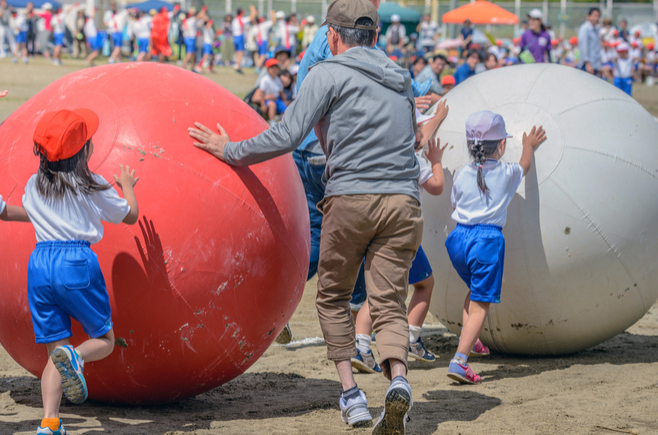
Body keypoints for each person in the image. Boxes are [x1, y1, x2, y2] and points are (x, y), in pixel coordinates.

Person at [189, 0, 422, 431]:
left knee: (333, 297)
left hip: (352, 197)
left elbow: (286, 134)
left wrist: (231, 151)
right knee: (389, 301)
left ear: (332, 36)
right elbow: (413, 136)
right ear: (374, 36)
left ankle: (352, 396)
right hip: (404, 201)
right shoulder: (401, 79)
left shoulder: (326, 73)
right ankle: (400, 382)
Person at [25, 109, 140, 435]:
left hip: (39, 266)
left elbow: (29, 214)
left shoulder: (35, 185)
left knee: (54, 352)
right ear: (84, 151)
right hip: (75, 263)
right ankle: (76, 357)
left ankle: (49, 423)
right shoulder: (92, 184)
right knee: (104, 338)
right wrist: (128, 186)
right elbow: (129, 216)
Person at [445, 110, 546, 385]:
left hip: (457, 240)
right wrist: (529, 146)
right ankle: (460, 360)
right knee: (481, 305)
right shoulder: (506, 172)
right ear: (502, 145)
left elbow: (455, 205)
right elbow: (524, 166)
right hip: (486, 242)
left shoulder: (462, 173)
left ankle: (471, 337)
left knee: (474, 295)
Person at [352, 101, 450, 372]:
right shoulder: (416, 161)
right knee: (425, 284)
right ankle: (412, 338)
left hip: (372, 229)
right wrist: (437, 163)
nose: (422, 133)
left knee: (377, 289)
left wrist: (438, 117)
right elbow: (437, 187)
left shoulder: (379, 151)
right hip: (402, 232)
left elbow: (416, 137)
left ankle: (360, 347)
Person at [232, 6, 256, 74]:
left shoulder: (235, 20)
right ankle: (237, 66)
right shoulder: (241, 19)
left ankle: (236, 65)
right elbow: (252, 17)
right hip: (239, 37)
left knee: (237, 52)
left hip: (235, 37)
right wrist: (252, 9)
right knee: (240, 52)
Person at [578, 7, 602, 75]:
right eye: (595, 16)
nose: (596, 18)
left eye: (598, 16)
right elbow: (583, 46)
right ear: (588, 16)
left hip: (595, 65)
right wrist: (587, 63)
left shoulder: (595, 29)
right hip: (588, 66)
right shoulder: (585, 28)